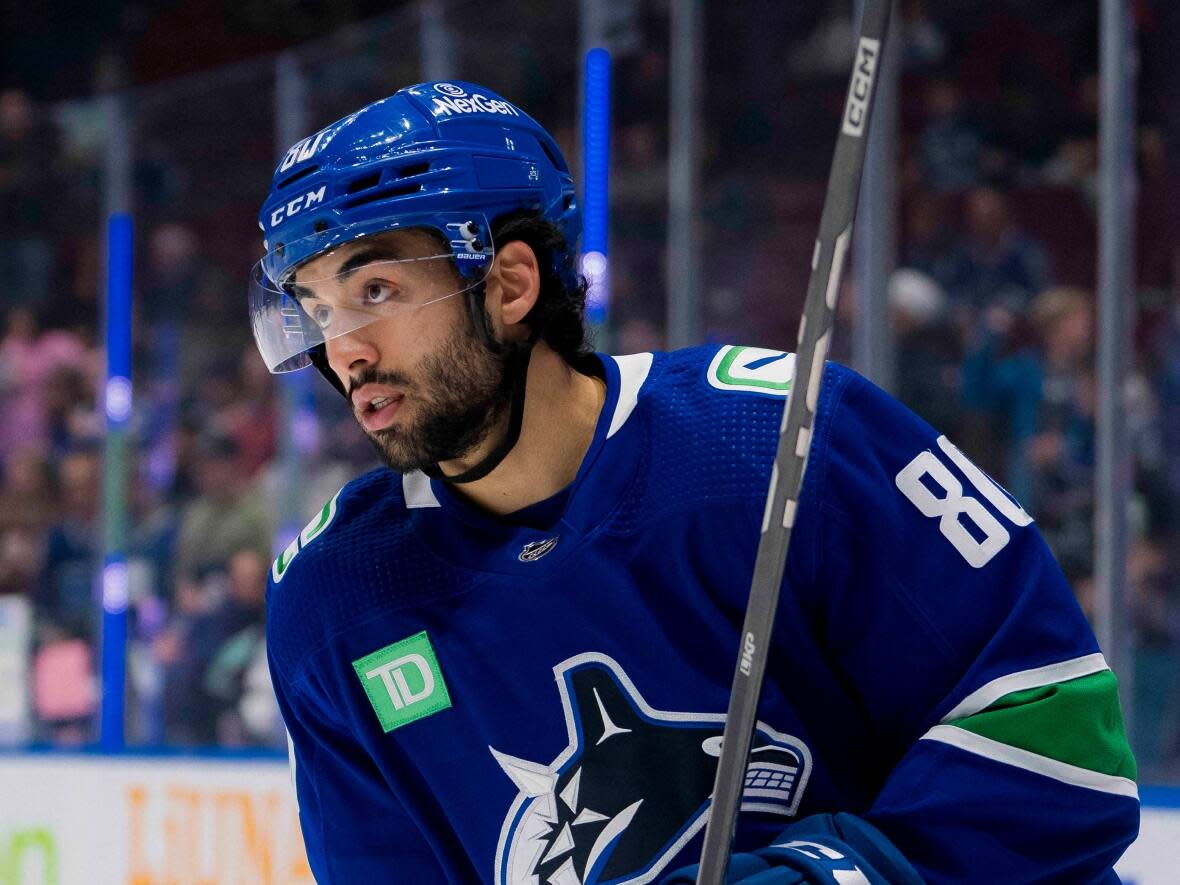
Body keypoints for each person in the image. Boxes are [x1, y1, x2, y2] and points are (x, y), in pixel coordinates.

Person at [252, 82, 1138, 884]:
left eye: (375, 290)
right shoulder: (335, 599)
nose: (344, 350)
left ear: (509, 283)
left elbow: (1058, 736)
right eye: (319, 306)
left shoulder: (776, 438)